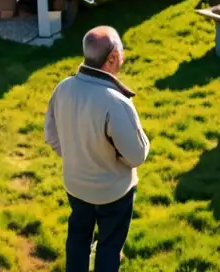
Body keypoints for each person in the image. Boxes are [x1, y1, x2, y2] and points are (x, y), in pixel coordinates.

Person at [44, 27, 150, 272]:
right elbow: (136, 156)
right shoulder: (116, 101)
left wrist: (77, 156)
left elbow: (51, 136)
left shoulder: (63, 87)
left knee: (78, 241)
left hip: (75, 186)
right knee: (109, 248)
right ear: (112, 57)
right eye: (121, 51)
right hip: (113, 194)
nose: (123, 56)